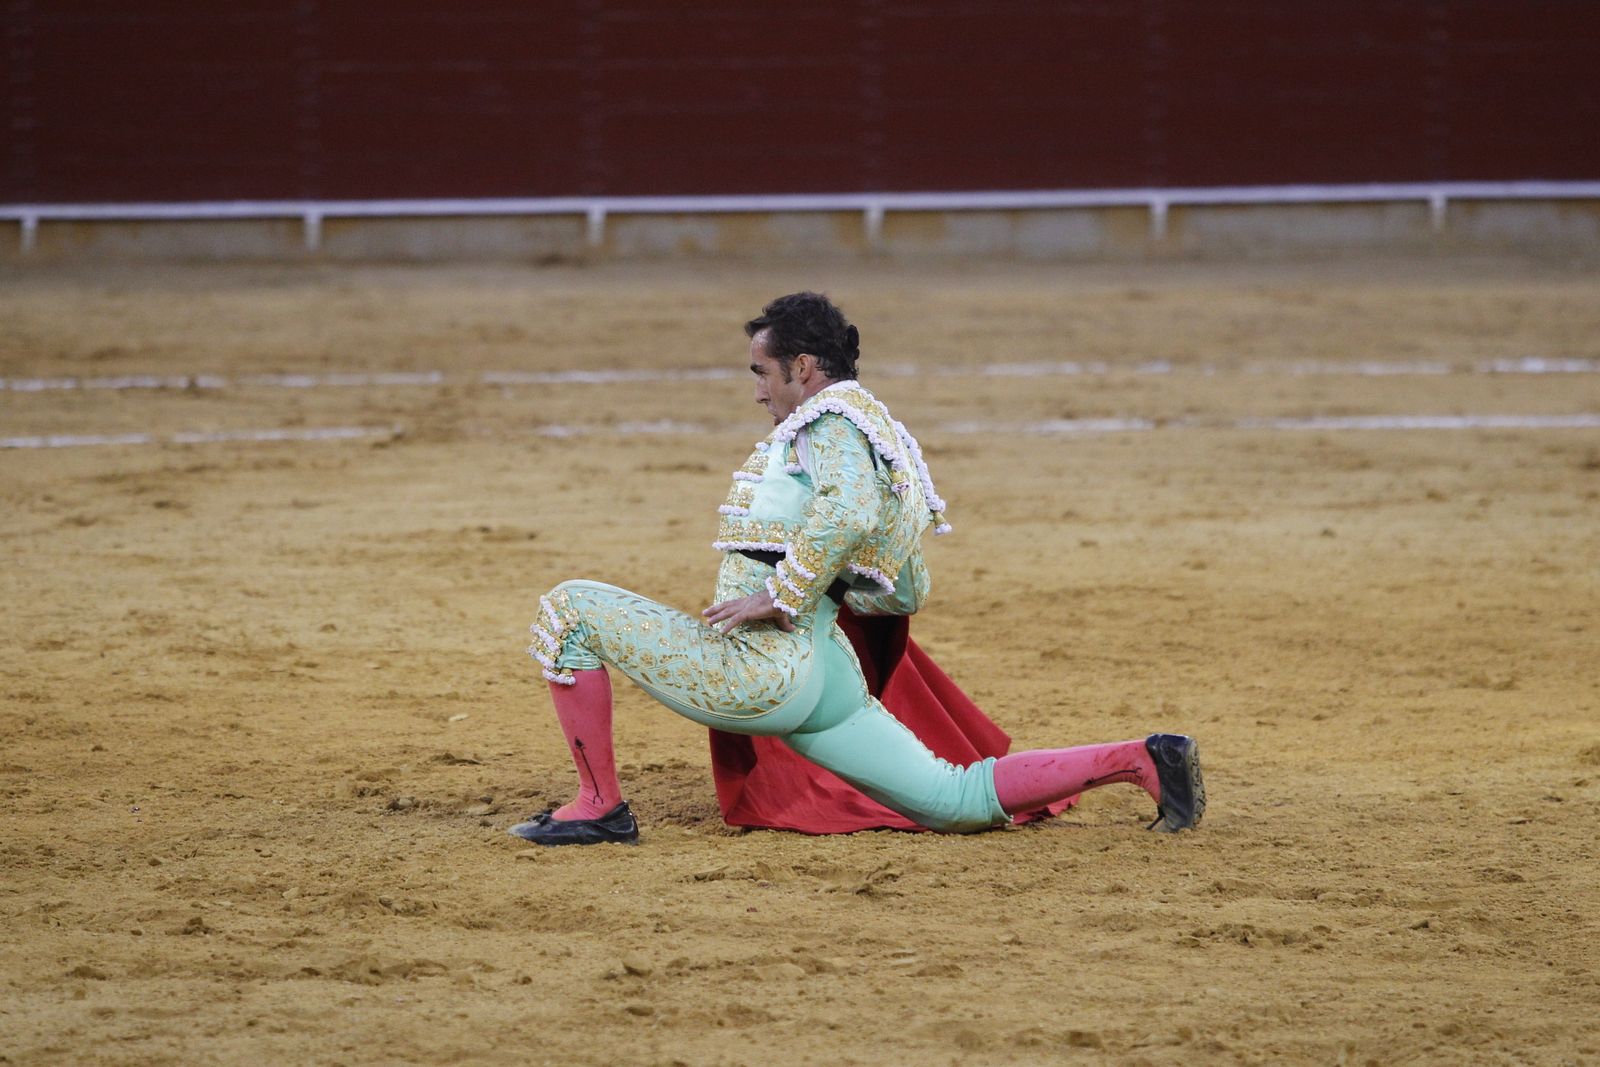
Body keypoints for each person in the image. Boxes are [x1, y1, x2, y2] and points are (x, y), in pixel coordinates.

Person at [512, 292, 1204, 846]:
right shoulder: (879, 431)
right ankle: (1139, 757)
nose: (758, 392)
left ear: (803, 367)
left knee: (569, 608)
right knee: (952, 799)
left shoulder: (828, 424)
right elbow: (905, 586)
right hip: (827, 674)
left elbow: (846, 514)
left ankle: (599, 805)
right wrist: (821, 595)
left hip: (764, 670)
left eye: (762, 372)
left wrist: (779, 592)